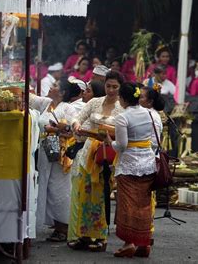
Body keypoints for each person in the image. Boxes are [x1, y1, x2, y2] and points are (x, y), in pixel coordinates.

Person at [68, 71, 124, 252]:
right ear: (105, 85)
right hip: (88, 152)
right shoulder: (94, 102)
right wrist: (76, 125)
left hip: (108, 153)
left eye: (115, 87)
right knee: (84, 194)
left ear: (120, 88)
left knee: (101, 195)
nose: (111, 90)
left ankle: (100, 237)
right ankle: (83, 235)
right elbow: (78, 117)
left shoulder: (122, 107)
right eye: (109, 86)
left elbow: (124, 131)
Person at [104, 83, 156, 258]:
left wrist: (108, 141)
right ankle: (143, 242)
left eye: (120, 97)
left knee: (128, 204)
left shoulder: (123, 117)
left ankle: (129, 243)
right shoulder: (148, 113)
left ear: (124, 99)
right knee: (144, 204)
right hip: (148, 163)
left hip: (129, 165)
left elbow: (122, 145)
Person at [37, 80, 77, 242]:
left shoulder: (68, 108)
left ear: (62, 93)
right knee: (47, 186)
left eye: (54, 86)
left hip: (60, 154)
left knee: (59, 188)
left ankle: (64, 227)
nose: (51, 88)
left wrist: (54, 129)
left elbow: (71, 129)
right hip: (45, 150)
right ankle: (56, 224)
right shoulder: (46, 104)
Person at [138, 84, 165, 257]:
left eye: (141, 97)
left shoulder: (149, 115)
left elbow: (152, 142)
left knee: (143, 201)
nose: (138, 99)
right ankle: (144, 235)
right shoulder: (150, 114)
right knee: (145, 200)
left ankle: (144, 236)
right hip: (147, 159)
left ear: (149, 102)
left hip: (146, 160)